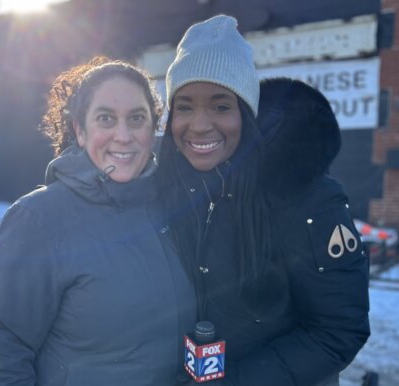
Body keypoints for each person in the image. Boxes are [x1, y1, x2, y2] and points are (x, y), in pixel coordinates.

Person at [157, 15, 370, 386]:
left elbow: (339, 330)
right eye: (185, 106)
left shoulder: (306, 196)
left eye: (221, 106)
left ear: (246, 112)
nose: (200, 124)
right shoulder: (176, 184)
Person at [0, 56, 196, 385]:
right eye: (106, 118)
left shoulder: (174, 202)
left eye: (137, 118)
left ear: (153, 128)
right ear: (79, 129)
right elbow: (2, 359)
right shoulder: (37, 220)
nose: (123, 135)